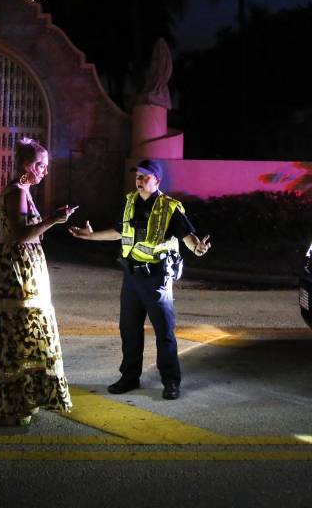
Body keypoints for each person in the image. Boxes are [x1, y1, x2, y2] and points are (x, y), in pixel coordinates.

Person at [68, 158, 211, 400]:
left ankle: (170, 381)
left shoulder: (169, 207)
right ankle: (129, 377)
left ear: (157, 181)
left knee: (164, 331)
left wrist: (198, 249)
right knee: (129, 330)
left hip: (157, 279)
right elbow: (119, 232)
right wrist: (90, 237)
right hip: (131, 277)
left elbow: (188, 236)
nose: (140, 180)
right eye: (138, 176)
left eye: (145, 176)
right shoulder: (130, 202)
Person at [0, 137, 77, 426]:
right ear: (28, 166)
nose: (45, 171)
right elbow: (18, 235)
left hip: (27, 268)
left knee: (31, 332)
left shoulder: (25, 190)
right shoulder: (16, 192)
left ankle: (27, 397)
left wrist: (56, 221)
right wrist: (53, 220)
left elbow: (31, 233)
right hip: (15, 271)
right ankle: (16, 404)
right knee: (19, 334)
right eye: (42, 165)